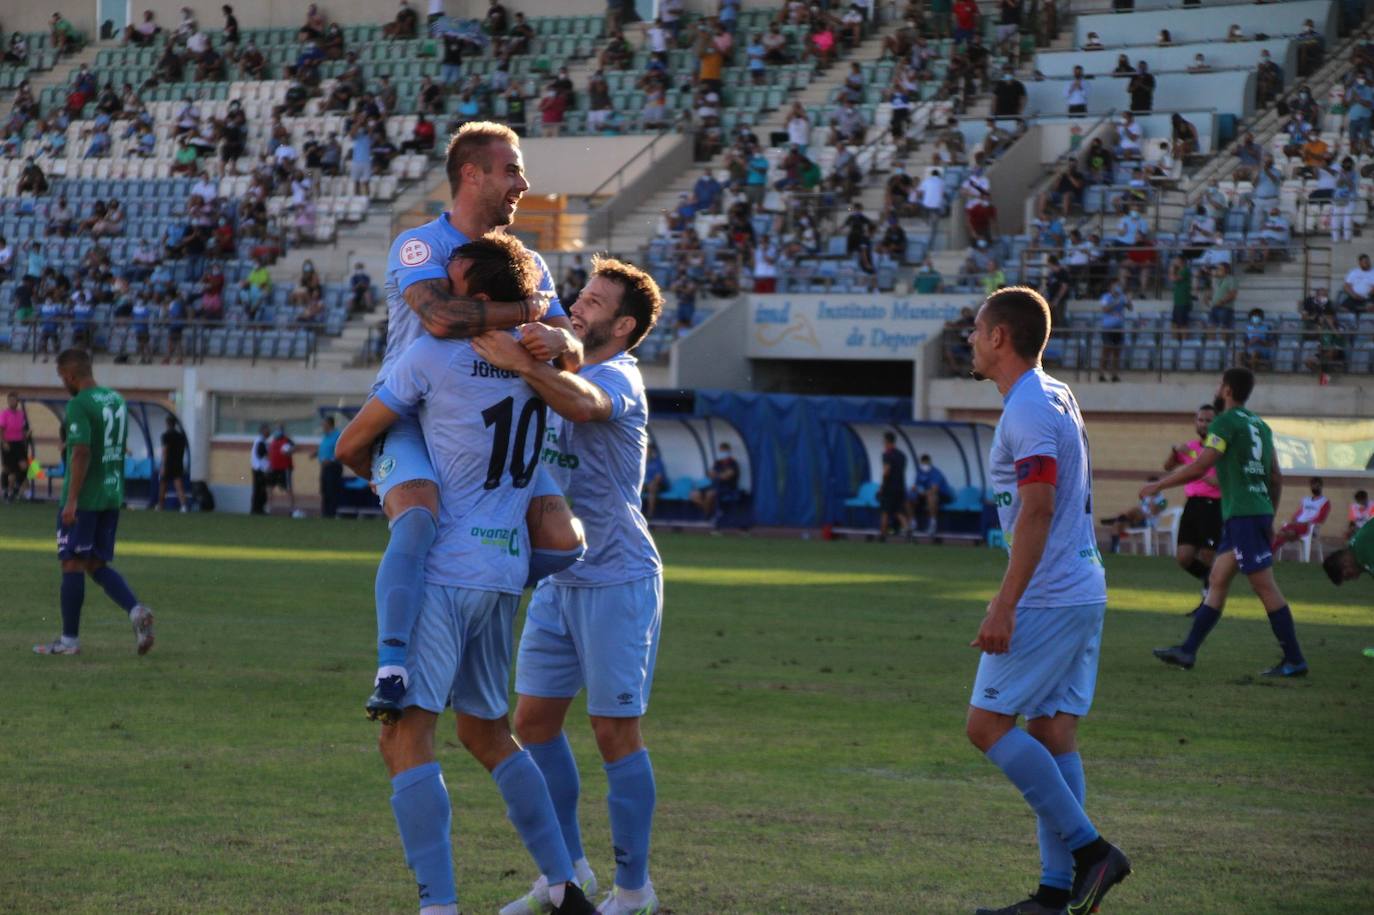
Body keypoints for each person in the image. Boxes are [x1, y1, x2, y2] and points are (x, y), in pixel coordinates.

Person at [336, 232, 598, 915]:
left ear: (480, 297)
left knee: (404, 734)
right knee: (487, 731)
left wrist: (380, 473)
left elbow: (350, 442)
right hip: (504, 570)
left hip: (444, 570)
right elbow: (570, 367)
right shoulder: (537, 358)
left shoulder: (432, 353)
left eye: (455, 285)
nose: (444, 298)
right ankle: (565, 883)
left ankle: (438, 906)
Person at [355, 121, 581, 724]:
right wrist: (529, 311)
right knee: (420, 518)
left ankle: (479, 592)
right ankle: (395, 661)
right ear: (472, 174)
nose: (523, 183)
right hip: (410, 418)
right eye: (511, 170)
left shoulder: (530, 260)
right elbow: (442, 317)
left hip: (491, 427)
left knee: (564, 542)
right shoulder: (420, 245)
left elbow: (573, 351)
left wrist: (558, 333)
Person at [469, 257, 667, 915]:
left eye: (596, 300)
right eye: (580, 293)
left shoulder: (620, 378)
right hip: (560, 575)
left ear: (625, 323)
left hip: (617, 577)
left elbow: (583, 404)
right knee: (533, 721)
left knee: (614, 730)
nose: (579, 305)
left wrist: (526, 364)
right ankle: (568, 873)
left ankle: (635, 890)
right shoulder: (565, 362)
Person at [965, 286, 1131, 915]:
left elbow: (1038, 508)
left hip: (1050, 594)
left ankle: (1092, 852)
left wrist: (1005, 604)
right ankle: (1055, 895)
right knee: (1054, 732)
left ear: (1000, 337)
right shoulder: (1053, 393)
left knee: (985, 725)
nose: (973, 341)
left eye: (979, 331)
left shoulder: (1028, 408)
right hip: (1081, 587)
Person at [1142, 367, 1310, 677]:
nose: (1218, 388)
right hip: (1250, 513)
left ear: (1228, 390)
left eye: (1221, 383)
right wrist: (1269, 514)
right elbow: (1275, 476)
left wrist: (1159, 485)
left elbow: (1201, 466)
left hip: (1244, 514)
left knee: (1264, 586)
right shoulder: (1261, 426)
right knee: (1217, 580)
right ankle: (1188, 651)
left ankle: (1295, 659)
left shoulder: (1225, 422)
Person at [34, 349, 156, 657]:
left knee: (71, 562)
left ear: (72, 376)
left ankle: (68, 642)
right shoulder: (115, 399)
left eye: (63, 378)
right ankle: (136, 611)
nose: (64, 384)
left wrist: (71, 500)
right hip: (111, 494)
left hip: (85, 498)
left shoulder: (78, 404)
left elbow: (81, 452)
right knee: (96, 563)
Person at [1165, 405, 1224, 589]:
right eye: (1201, 420)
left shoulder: (1220, 448)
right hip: (1192, 504)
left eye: (1209, 420)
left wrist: (1209, 478)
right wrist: (1175, 452)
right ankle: (1212, 583)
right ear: (1195, 422)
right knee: (1183, 557)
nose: (1204, 424)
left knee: (1208, 555)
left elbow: (1226, 480)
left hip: (1213, 505)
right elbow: (1168, 467)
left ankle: (1209, 599)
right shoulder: (1191, 447)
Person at [1101, 479, 1167, 553]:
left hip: (1148, 523)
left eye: (1151, 487)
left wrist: (1152, 501)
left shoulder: (1163, 501)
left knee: (1135, 510)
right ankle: (1114, 549)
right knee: (1117, 524)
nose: (1149, 489)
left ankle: (1118, 518)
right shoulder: (1146, 497)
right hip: (1136, 521)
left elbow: (1153, 513)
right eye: (1148, 487)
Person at [1272, 477, 1331, 553]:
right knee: (1283, 531)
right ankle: (1287, 536)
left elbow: (1320, 519)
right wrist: (1294, 520)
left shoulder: (1324, 501)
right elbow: (1299, 513)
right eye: (1313, 485)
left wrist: (1305, 523)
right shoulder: (1306, 500)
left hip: (1309, 527)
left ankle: (1271, 552)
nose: (1314, 487)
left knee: (1283, 534)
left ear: (1321, 486)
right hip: (1297, 525)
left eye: (1317, 485)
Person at [691, 442, 739, 523]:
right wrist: (718, 475)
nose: (722, 453)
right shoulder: (718, 463)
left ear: (728, 451)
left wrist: (717, 475)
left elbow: (727, 476)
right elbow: (710, 474)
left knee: (710, 494)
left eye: (724, 451)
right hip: (714, 485)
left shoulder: (733, 463)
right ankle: (714, 512)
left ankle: (707, 517)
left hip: (727, 487)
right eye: (721, 451)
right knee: (694, 494)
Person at [1323, 515, 1374, 587]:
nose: (1356, 578)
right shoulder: (1356, 548)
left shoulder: (1363, 553)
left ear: (1345, 563)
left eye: (1349, 576)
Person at [310, 415, 343, 519]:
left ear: (329, 424)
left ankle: (331, 513)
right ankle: (325, 514)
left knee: (331, 490)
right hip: (325, 468)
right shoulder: (326, 436)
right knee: (324, 490)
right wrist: (316, 453)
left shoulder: (337, 435)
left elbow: (341, 452)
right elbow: (324, 449)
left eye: (324, 424)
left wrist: (331, 460)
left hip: (333, 467)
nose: (322, 426)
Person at [877, 431, 909, 539]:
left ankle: (882, 535)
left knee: (885, 511)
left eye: (884, 441)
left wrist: (882, 486)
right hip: (900, 487)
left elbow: (886, 471)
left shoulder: (887, 454)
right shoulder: (902, 455)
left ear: (887, 441)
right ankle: (909, 534)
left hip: (889, 487)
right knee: (899, 511)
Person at [2, 391, 31, 502]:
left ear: (17, 402)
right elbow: (1, 429)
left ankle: (16, 488)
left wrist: (26, 434)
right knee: (9, 469)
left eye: (14, 400)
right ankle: (7, 492)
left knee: (24, 467)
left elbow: (23, 429)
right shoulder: (5, 414)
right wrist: (3, 442)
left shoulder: (21, 414)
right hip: (8, 443)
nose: (12, 402)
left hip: (19, 443)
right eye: (10, 400)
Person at [158, 416, 189, 512]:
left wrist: (163, 466)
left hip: (168, 463)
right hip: (178, 463)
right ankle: (183, 506)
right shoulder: (181, 436)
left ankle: (160, 505)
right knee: (179, 485)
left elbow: (165, 451)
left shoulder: (165, 436)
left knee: (163, 485)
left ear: (167, 424)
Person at [267, 425, 296, 513]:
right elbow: (270, 453)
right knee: (270, 488)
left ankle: (292, 509)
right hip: (273, 468)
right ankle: (268, 508)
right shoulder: (273, 441)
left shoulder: (287, 440)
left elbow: (294, 448)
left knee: (288, 489)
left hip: (285, 468)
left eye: (279, 430)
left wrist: (289, 451)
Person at [250, 423, 271, 515]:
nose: (269, 432)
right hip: (259, 469)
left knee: (261, 490)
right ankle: (256, 509)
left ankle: (259, 509)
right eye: (267, 431)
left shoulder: (262, 441)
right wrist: (268, 454)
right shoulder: (260, 441)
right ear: (263, 431)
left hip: (261, 469)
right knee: (259, 490)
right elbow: (260, 454)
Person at [642, 443, 666, 519]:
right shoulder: (642, 461)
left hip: (659, 485)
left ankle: (650, 514)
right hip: (645, 485)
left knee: (652, 487)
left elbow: (659, 477)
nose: (648, 452)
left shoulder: (657, 462)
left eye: (649, 450)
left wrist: (651, 484)